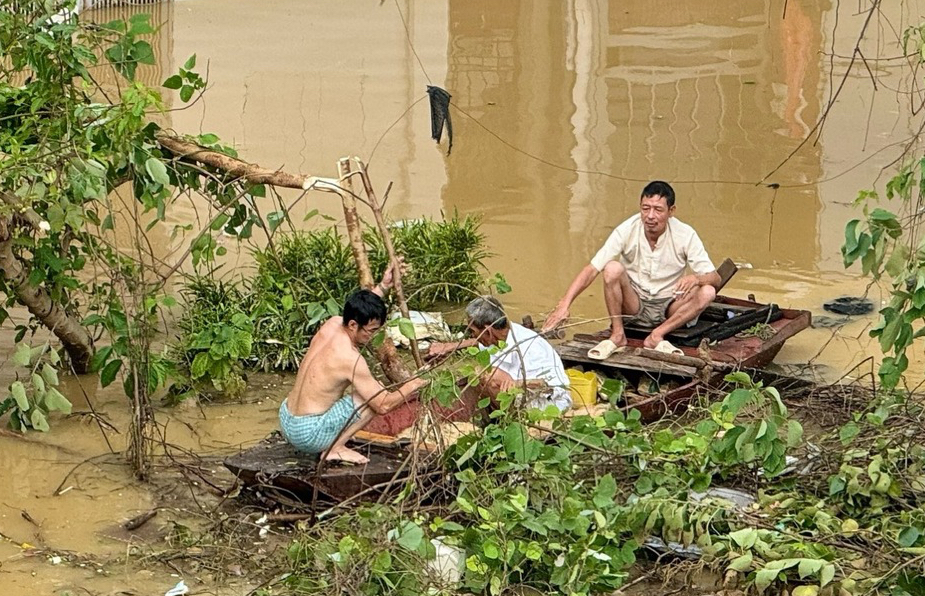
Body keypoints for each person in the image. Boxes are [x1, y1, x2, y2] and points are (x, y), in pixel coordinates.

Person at [542, 180, 720, 350]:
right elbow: (592, 269)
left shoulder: (685, 234)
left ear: (671, 211)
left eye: (658, 210)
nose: (650, 216)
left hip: (670, 306)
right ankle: (618, 334)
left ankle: (657, 335)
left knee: (707, 291)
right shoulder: (627, 229)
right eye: (645, 208)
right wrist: (564, 304)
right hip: (634, 304)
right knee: (612, 268)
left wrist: (696, 278)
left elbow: (715, 279)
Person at [279, 289, 426, 466]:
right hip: (307, 434)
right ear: (353, 325)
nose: (373, 336)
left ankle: (332, 439)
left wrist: (382, 288)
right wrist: (413, 384)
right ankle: (334, 448)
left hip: (286, 418)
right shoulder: (349, 358)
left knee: (367, 390)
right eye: (371, 331)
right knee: (372, 396)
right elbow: (383, 405)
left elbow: (357, 307)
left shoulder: (332, 323)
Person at [430, 295, 573, 411]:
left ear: (488, 330)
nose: (472, 336)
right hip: (518, 394)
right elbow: (477, 342)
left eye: (473, 331)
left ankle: (512, 421)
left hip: (548, 403)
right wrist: (449, 346)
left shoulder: (532, 348)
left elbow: (552, 384)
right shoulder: (497, 336)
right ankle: (501, 415)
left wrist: (516, 383)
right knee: (480, 373)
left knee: (490, 377)